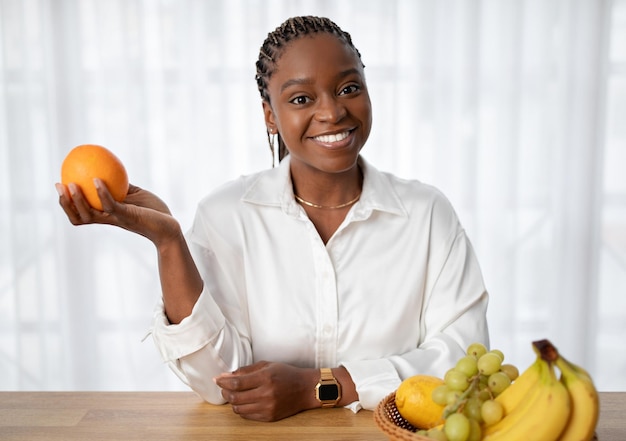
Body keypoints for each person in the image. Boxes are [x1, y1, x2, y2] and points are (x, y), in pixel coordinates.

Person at [56, 16, 489, 422]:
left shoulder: (427, 214)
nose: (333, 112)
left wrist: (319, 387)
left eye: (349, 88)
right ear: (270, 116)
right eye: (301, 98)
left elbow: (463, 358)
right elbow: (218, 383)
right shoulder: (226, 215)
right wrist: (169, 241)